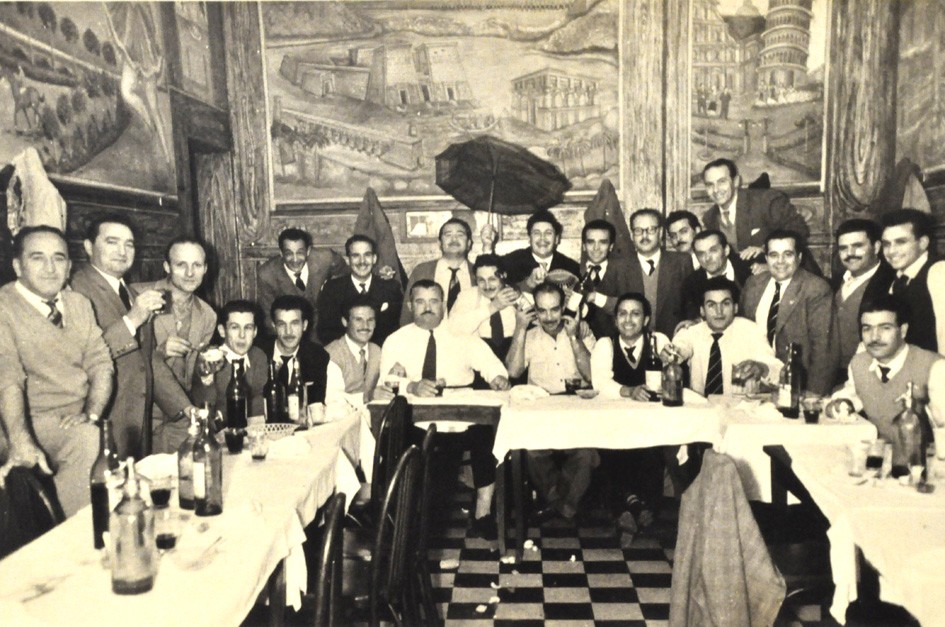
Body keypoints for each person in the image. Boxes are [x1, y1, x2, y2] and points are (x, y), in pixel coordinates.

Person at [377, 279, 510, 538]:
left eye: (434, 301)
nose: (427, 307)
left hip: (463, 416)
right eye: (420, 302)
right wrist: (411, 386)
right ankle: (407, 516)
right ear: (410, 306)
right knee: (398, 441)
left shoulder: (463, 335)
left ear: (444, 305)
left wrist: (497, 377)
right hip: (419, 419)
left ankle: (483, 513)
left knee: (489, 435)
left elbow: (492, 365)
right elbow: (386, 382)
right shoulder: (396, 340)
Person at [0, 226, 114, 517]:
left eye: (58, 258)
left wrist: (91, 413)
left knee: (93, 436)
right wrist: (19, 440)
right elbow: (7, 379)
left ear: (69, 266)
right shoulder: (4, 307)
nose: (50, 268)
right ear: (18, 266)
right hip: (21, 421)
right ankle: (76, 535)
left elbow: (101, 364)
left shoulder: (79, 304)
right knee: (86, 440)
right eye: (38, 258)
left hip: (74, 420)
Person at [70, 215, 193, 458]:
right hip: (103, 417)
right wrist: (133, 319)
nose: (122, 251)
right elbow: (86, 357)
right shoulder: (77, 289)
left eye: (129, 244)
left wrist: (185, 407)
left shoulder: (128, 292)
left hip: (135, 420)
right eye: (112, 242)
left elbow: (149, 360)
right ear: (88, 247)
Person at [505, 282, 598, 522]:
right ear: (534, 310)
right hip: (541, 411)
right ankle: (564, 504)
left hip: (576, 409)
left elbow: (592, 375)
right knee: (533, 451)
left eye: (554, 309)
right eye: (542, 310)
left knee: (587, 454)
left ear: (564, 307)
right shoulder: (530, 335)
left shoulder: (582, 331)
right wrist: (520, 328)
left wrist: (574, 338)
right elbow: (513, 372)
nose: (548, 317)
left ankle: (557, 504)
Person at [589, 292, 671, 534]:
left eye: (635, 314)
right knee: (612, 452)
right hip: (615, 422)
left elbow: (671, 378)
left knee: (652, 454)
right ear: (615, 320)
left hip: (651, 422)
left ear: (646, 320)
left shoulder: (659, 341)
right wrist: (629, 391)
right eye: (622, 314)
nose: (628, 320)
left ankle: (631, 509)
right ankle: (636, 509)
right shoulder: (605, 345)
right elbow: (600, 383)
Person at [827, 295, 944, 464]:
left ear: (903, 331)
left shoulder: (934, 367)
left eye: (885, 328)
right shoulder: (859, 363)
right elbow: (854, 393)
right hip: (881, 460)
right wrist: (843, 403)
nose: (874, 337)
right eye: (867, 329)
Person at [133, 236, 217, 454]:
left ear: (205, 269)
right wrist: (160, 351)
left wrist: (206, 370)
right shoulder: (138, 297)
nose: (190, 273)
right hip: (141, 414)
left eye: (197, 265)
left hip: (180, 418)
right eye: (181, 265)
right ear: (167, 266)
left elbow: (194, 376)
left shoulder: (208, 315)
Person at [740, 230, 837, 395]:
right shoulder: (753, 284)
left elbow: (824, 350)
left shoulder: (816, 289)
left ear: (799, 257)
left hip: (798, 386)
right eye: (773, 255)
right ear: (766, 258)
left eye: (788, 254)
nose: (780, 261)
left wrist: (814, 394)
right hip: (756, 383)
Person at [667, 277, 781, 396]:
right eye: (711, 305)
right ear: (702, 311)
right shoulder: (693, 332)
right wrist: (674, 353)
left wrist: (762, 368)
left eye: (725, 304)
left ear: (735, 308)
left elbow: (777, 368)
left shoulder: (752, 331)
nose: (719, 311)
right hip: (701, 406)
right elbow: (680, 346)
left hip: (739, 406)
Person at [701, 158, 810, 269]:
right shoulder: (709, 218)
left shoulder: (766, 201)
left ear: (736, 181)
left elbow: (799, 231)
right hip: (744, 277)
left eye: (722, 182)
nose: (716, 190)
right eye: (709, 185)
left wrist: (765, 251)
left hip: (788, 271)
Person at [832, 219, 896, 379]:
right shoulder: (837, 281)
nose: (850, 253)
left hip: (871, 373)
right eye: (843, 248)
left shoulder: (890, 282)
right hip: (835, 373)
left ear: (876, 247)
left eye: (858, 246)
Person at [256, 227, 347, 337]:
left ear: (308, 251)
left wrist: (330, 288)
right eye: (289, 253)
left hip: (327, 328)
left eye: (300, 253)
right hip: (291, 333)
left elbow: (345, 277)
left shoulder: (326, 258)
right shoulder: (267, 274)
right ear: (281, 253)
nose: (295, 259)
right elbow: (269, 318)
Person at [316, 235, 402, 347]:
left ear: (374, 258)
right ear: (348, 260)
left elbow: (395, 330)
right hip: (344, 353)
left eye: (367, 255)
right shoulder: (332, 289)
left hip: (381, 351)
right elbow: (326, 332)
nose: (362, 261)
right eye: (356, 256)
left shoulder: (390, 288)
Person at [880, 209, 945, 354]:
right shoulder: (898, 280)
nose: (891, 251)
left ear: (922, 243)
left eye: (900, 242)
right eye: (886, 244)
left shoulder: (939, 271)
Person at [623, 209, 692, 337]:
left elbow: (692, 305)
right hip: (632, 342)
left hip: (675, 340)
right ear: (632, 235)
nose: (644, 236)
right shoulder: (619, 266)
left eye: (651, 230)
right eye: (638, 231)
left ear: (660, 233)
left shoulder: (682, 262)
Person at [192, 300, 267, 418]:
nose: (242, 335)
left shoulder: (258, 356)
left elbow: (263, 402)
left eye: (248, 328)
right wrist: (207, 378)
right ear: (222, 331)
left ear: (255, 332)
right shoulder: (209, 362)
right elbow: (206, 413)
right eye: (235, 327)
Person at [260, 295, 333, 411]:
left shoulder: (317, 356)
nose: (288, 331)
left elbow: (316, 403)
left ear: (304, 325)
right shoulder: (259, 353)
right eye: (281, 324)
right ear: (274, 326)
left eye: (294, 323)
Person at [400, 218, 475, 324]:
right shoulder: (421, 271)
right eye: (448, 235)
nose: (454, 239)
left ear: (469, 243)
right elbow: (407, 315)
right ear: (439, 243)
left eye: (460, 235)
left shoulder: (478, 274)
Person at [488, 210, 580, 293]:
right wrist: (487, 245)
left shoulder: (571, 267)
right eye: (537, 233)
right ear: (529, 238)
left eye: (548, 233)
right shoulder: (512, 261)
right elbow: (489, 272)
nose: (542, 238)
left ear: (556, 239)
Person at [447, 254, 518, 361]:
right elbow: (453, 330)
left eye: (492, 279)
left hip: (512, 358)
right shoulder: (467, 296)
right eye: (481, 280)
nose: (487, 286)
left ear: (503, 275)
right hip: (477, 359)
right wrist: (493, 307)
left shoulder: (518, 296)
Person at [577, 219, 635, 338]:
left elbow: (631, 306)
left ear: (611, 246)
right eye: (590, 242)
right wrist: (578, 321)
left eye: (603, 242)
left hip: (618, 340)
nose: (596, 248)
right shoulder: (575, 272)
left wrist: (596, 297)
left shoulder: (624, 272)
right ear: (583, 246)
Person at [681, 230, 752, 321]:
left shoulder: (749, 269)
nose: (707, 258)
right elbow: (691, 317)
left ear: (726, 250)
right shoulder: (691, 284)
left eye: (713, 250)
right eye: (701, 254)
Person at [325, 298, 381, 406]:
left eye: (370, 320)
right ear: (345, 322)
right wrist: (367, 396)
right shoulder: (331, 354)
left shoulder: (377, 351)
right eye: (358, 320)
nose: (365, 326)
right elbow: (333, 399)